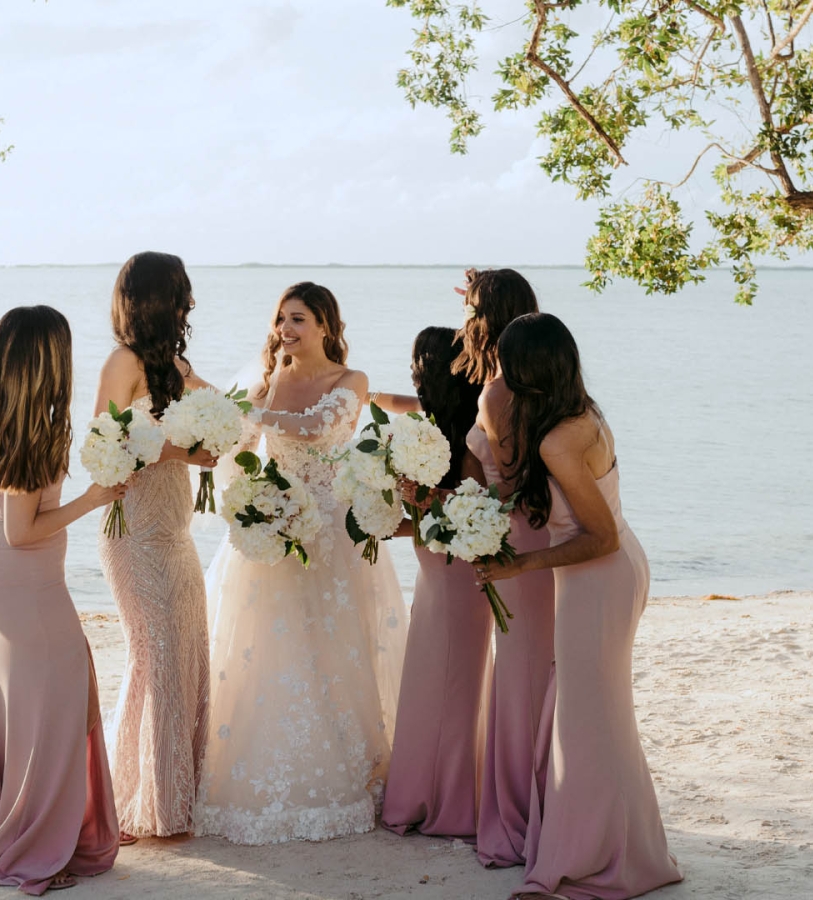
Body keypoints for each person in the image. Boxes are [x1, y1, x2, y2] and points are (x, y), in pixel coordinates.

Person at [193, 282, 408, 844]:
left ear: (325, 326)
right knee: (270, 650)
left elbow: (316, 429)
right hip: (274, 526)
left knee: (336, 647)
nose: (286, 330)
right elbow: (234, 445)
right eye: (282, 319)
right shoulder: (267, 378)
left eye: (299, 320)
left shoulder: (350, 382)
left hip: (333, 533)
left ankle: (352, 767)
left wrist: (257, 413)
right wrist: (250, 505)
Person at [477, 312, 682, 900]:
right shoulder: (581, 412)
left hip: (599, 578)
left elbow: (600, 538)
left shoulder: (559, 439)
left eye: (505, 365)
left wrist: (519, 565)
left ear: (527, 369)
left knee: (590, 722)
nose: (500, 375)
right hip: (608, 574)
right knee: (595, 717)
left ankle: (604, 857)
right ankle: (609, 845)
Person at [0, 305, 124, 895]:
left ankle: (27, 829)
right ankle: (34, 847)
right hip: (24, 581)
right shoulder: (33, 425)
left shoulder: (3, 412)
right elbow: (22, 530)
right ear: (46, 360)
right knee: (55, 709)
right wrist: (95, 498)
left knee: (36, 705)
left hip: (9, 580)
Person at [95, 251, 215, 839]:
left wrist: (220, 433)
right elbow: (101, 445)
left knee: (188, 654)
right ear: (157, 298)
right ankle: (137, 801)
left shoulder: (174, 365)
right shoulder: (123, 362)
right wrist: (176, 449)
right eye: (181, 290)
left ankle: (174, 800)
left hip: (176, 528)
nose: (190, 299)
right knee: (156, 655)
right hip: (134, 528)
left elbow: (223, 412)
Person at [457, 268, 554, 868]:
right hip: (536, 539)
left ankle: (519, 814)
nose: (465, 319)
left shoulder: (499, 391)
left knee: (519, 680)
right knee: (531, 675)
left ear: (488, 318)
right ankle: (541, 802)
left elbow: (511, 484)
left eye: (471, 308)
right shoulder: (529, 382)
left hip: (516, 543)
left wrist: (465, 517)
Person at [381, 326, 490, 839]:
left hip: (457, 572)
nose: (411, 370)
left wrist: (416, 499)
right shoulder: (437, 423)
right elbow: (430, 519)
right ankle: (425, 789)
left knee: (452, 679)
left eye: (417, 361)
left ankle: (450, 800)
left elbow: (468, 513)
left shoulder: (469, 436)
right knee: (431, 676)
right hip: (433, 568)